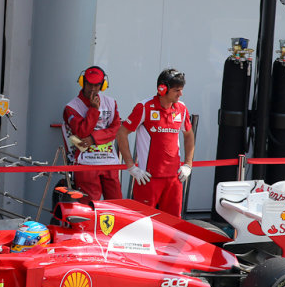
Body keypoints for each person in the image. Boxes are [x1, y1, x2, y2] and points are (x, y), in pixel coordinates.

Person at [116, 68, 195, 217]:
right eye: (177, 90)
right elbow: (121, 133)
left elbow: (189, 135)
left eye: (181, 90)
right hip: (148, 178)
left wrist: (188, 164)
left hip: (174, 178)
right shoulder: (144, 107)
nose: (181, 94)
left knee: (173, 226)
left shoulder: (182, 108)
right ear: (162, 89)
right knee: (143, 224)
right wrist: (131, 167)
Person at [62, 66, 122, 201]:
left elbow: (116, 128)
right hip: (86, 162)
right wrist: (94, 110)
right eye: (89, 84)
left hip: (109, 161)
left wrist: (94, 138)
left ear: (103, 85)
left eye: (97, 85)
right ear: (83, 82)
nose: (93, 89)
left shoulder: (111, 102)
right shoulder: (72, 107)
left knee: (117, 204)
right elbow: (82, 132)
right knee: (89, 206)